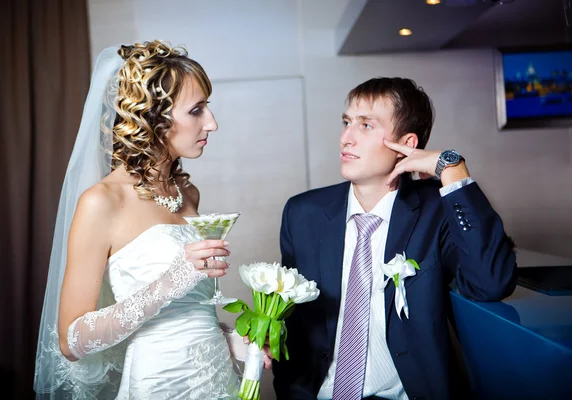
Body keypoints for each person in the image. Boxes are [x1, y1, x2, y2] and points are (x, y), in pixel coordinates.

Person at [34, 40, 265, 400]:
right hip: (158, 386)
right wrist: (173, 278)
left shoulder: (187, 194)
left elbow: (186, 314)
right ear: (153, 118)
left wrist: (232, 341)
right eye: (197, 110)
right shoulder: (102, 202)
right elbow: (70, 340)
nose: (212, 123)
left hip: (217, 379)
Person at [272, 77, 517, 400]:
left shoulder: (435, 211)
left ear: (407, 143)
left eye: (366, 126)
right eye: (346, 123)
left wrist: (452, 168)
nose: (346, 138)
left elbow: (491, 282)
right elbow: (290, 316)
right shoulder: (302, 213)